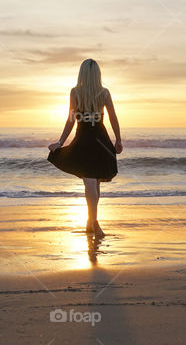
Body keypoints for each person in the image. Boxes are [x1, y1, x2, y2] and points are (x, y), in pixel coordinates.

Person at [47, 59, 122, 238]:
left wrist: (61, 141)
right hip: (101, 139)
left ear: (82, 74)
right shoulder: (104, 92)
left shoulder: (75, 92)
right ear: (97, 74)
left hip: (84, 139)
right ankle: (92, 222)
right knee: (93, 183)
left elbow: (71, 120)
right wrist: (118, 140)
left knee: (92, 182)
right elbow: (113, 118)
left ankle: (92, 223)